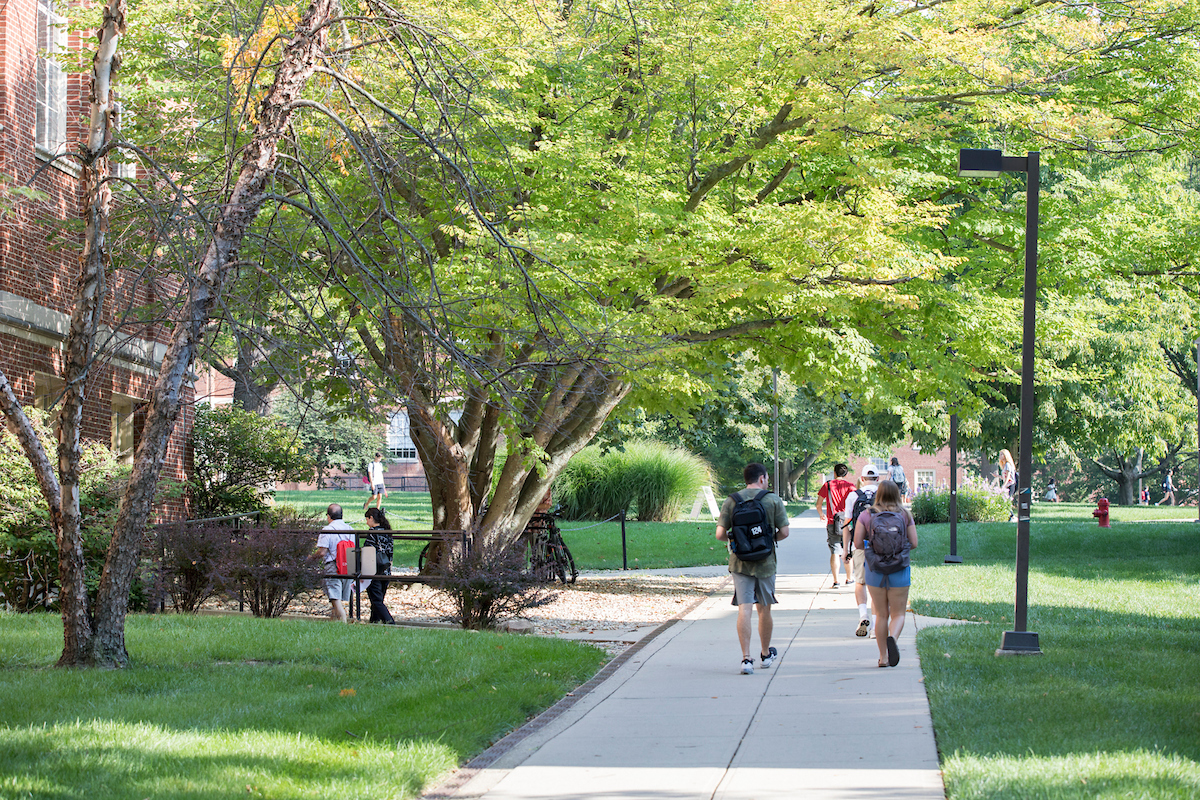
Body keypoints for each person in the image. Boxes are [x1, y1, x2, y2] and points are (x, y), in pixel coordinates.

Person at [715, 463, 790, 675]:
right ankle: (765, 655)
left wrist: (738, 541)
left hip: (740, 563)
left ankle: (746, 659)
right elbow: (784, 532)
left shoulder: (732, 501)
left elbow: (720, 534)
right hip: (766, 562)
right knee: (764, 608)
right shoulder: (772, 500)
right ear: (763, 478)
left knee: (744, 608)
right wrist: (768, 541)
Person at [853, 479, 918, 668]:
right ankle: (893, 638)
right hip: (899, 567)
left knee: (881, 615)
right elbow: (914, 543)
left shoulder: (866, 515)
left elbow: (857, 544)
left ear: (877, 494)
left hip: (875, 569)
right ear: (897, 494)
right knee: (898, 613)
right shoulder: (905, 515)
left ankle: (883, 657)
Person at [841, 464, 880, 638]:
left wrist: (845, 550)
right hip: (881, 546)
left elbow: (847, 525)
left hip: (860, 545)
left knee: (860, 581)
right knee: (878, 584)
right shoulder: (884, 495)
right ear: (878, 479)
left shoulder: (853, 496)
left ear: (862, 479)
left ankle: (863, 614)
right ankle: (875, 626)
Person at [817, 463, 856, 587]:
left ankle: (836, 581)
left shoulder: (827, 485)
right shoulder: (851, 487)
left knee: (835, 550)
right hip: (847, 522)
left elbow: (818, 504)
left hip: (832, 522)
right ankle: (849, 579)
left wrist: (821, 514)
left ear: (834, 473)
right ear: (846, 474)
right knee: (847, 549)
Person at [317, 503, 356, 622]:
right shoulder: (350, 529)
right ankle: (332, 623)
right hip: (348, 566)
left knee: (335, 599)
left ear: (328, 516)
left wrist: (310, 559)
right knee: (338, 598)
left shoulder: (327, 530)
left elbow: (322, 552)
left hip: (333, 566)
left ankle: (343, 622)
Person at [363, 508, 396, 624]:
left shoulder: (372, 533)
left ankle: (389, 621)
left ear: (371, 518)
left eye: (367, 519)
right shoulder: (388, 532)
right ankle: (374, 621)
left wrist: (363, 571)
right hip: (386, 570)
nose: (366, 522)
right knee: (379, 598)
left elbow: (367, 552)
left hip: (374, 570)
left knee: (376, 600)